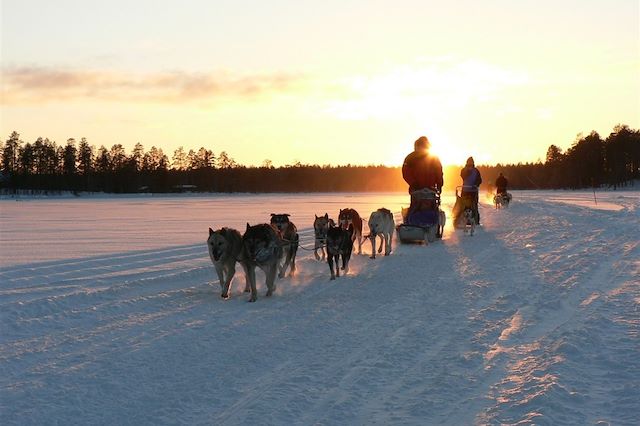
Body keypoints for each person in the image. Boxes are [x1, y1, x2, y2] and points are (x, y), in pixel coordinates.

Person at [460, 156, 482, 224]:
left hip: (473, 191)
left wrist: (476, 184)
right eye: (469, 162)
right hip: (465, 190)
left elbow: (479, 180)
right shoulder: (464, 170)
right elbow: (463, 176)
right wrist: (468, 170)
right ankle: (463, 219)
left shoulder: (476, 171)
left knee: (474, 205)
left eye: (471, 162)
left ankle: (475, 220)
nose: (470, 163)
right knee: (464, 206)